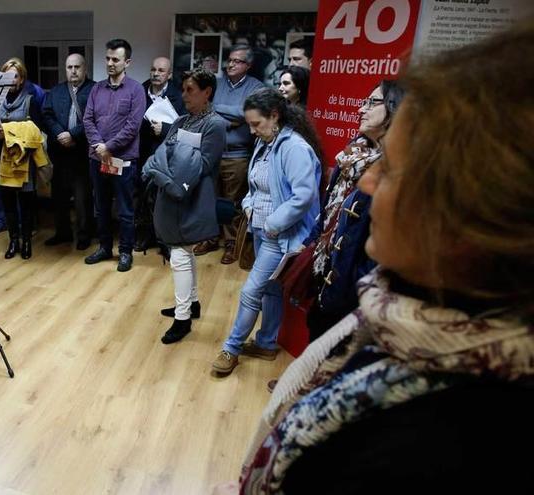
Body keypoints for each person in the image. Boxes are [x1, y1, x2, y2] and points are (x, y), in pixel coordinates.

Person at [224, 20, 534, 494]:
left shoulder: (425, 445)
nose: (368, 185)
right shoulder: (398, 313)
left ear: (475, 216)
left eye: (389, 169)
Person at [212, 87, 322, 376]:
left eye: (256, 124)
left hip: (278, 236)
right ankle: (266, 343)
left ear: (274, 116)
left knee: (250, 292)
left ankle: (232, 348)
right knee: (271, 292)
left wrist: (272, 224)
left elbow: (303, 196)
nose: (251, 131)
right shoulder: (267, 141)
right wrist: (248, 203)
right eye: (248, 124)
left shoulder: (294, 148)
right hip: (260, 230)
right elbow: (258, 184)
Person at [300, 80, 405, 342]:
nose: (361, 109)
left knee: (339, 344)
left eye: (372, 103)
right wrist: (311, 243)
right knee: (317, 328)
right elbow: (327, 210)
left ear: (395, 109)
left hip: (354, 283)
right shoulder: (352, 155)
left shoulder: (400, 169)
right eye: (364, 102)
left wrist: (357, 283)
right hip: (326, 266)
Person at [142, 69, 226, 344]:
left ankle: (183, 318)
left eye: (191, 90)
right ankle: (192, 303)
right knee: (183, 250)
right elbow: (160, 153)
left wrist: (169, 164)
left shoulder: (215, 125)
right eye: (184, 89)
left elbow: (203, 165)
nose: (184, 95)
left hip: (193, 197)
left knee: (179, 254)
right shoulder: (180, 120)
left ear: (207, 92)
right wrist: (172, 162)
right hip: (171, 194)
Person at [196, 44, 264, 265]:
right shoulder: (216, 83)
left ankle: (232, 242)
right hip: (212, 152)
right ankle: (211, 238)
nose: (231, 64)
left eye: (237, 61)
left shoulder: (256, 87)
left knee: (232, 201)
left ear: (248, 65)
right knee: (210, 198)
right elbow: (205, 108)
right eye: (230, 60)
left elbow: (245, 115)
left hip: (238, 155)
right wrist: (230, 116)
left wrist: (223, 112)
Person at [82, 38, 146, 272]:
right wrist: (99, 145)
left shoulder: (136, 90)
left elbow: (133, 126)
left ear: (127, 62)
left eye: (115, 59)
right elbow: (88, 119)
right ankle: (105, 247)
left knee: (125, 209)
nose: (110, 63)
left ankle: (126, 252)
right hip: (97, 159)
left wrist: (109, 146)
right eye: (107, 58)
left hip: (123, 159)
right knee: (101, 207)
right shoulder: (96, 89)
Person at [0, 57, 47, 260]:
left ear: (21, 78)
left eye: (15, 75)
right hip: (3, 158)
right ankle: (13, 241)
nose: (11, 80)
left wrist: (6, 130)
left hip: (24, 160)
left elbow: (34, 130)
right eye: (7, 75)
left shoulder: (30, 99)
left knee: (26, 203)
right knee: (8, 203)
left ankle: (26, 242)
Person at [41, 53, 96, 250]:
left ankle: (83, 235)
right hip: (60, 154)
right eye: (69, 67)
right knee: (60, 197)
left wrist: (73, 135)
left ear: (85, 68)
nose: (73, 71)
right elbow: (46, 116)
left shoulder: (95, 90)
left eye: (77, 67)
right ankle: (62, 233)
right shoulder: (55, 92)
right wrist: (59, 134)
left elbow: (96, 119)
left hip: (82, 154)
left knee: (82, 199)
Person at [136, 56, 186, 252]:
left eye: (161, 70)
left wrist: (165, 129)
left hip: (168, 155)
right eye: (153, 69)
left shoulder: (180, 94)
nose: (156, 74)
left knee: (164, 199)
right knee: (142, 197)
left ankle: (165, 241)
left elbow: (187, 127)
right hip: (142, 152)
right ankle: (144, 236)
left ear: (169, 74)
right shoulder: (139, 91)